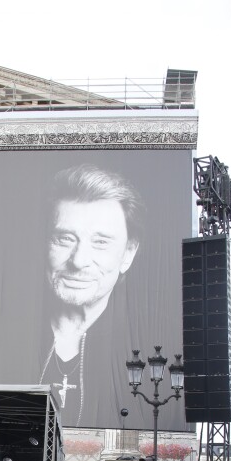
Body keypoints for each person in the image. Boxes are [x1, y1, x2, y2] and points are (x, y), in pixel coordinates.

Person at [39, 165, 143, 425]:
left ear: (128, 253)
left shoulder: (139, 356)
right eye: (64, 239)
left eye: (101, 242)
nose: (79, 261)